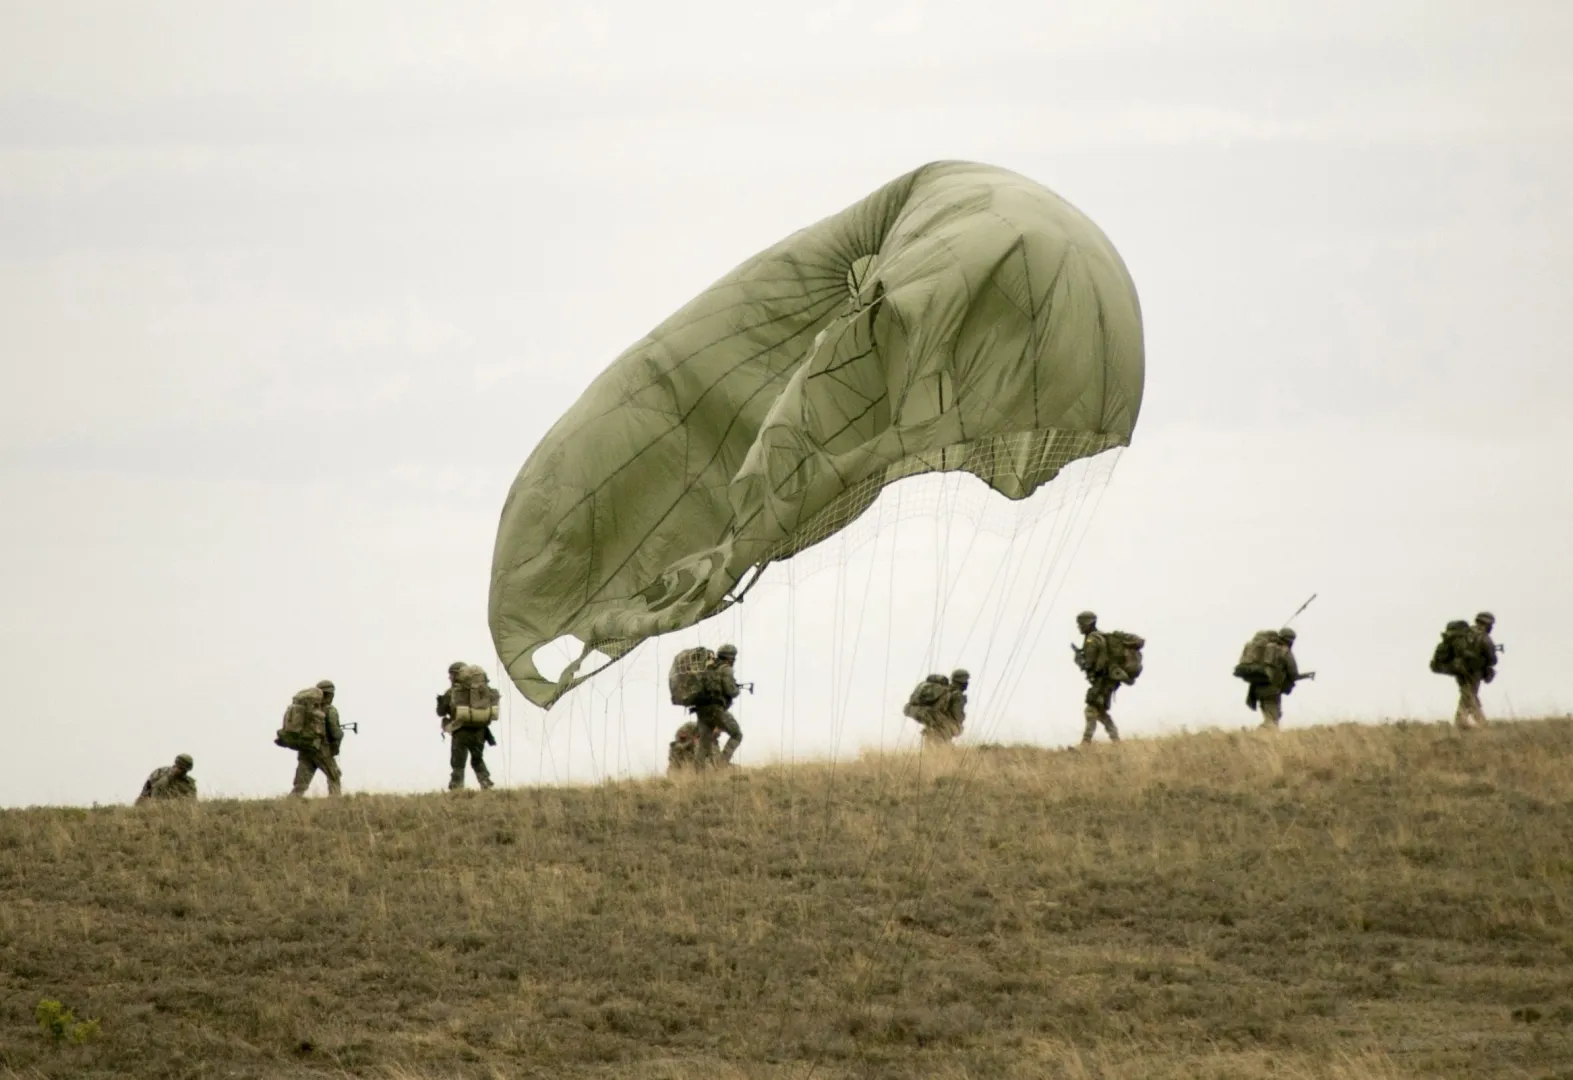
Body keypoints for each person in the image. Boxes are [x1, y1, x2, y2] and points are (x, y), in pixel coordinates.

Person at [438, 661, 495, 790]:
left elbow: (441, 711)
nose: (449, 677)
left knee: (458, 764)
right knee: (477, 759)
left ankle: (457, 789)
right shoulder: (482, 690)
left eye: (451, 674)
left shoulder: (453, 692)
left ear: (457, 675)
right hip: (480, 731)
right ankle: (486, 783)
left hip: (460, 731)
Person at [1247, 628, 1313, 729]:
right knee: (1272, 722)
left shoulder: (1266, 648)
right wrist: (1306, 676)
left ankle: (1256, 738)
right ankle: (1253, 737)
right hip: (1272, 691)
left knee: (1271, 718)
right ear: (1291, 640)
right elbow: (1293, 674)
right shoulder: (1285, 652)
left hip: (1257, 689)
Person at [1073, 611, 1121, 743]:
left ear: (1087, 624)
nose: (1079, 627)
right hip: (1107, 681)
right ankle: (1116, 739)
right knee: (1100, 712)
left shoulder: (1091, 640)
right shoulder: (1100, 637)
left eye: (1081, 624)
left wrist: (1078, 659)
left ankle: (1086, 743)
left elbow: (1089, 664)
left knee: (1090, 710)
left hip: (1101, 681)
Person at [290, 680, 343, 796]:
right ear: (330, 694)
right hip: (321, 751)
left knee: (300, 785)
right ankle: (336, 804)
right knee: (334, 777)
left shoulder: (307, 710)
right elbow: (335, 733)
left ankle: (289, 806)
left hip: (305, 749)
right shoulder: (330, 710)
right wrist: (340, 735)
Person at [693, 644, 743, 766]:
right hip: (716, 710)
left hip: (701, 710)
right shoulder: (726, 669)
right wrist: (736, 689)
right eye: (733, 658)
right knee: (736, 734)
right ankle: (722, 764)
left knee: (704, 744)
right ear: (728, 658)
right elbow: (731, 691)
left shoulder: (708, 668)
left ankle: (696, 774)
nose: (734, 661)